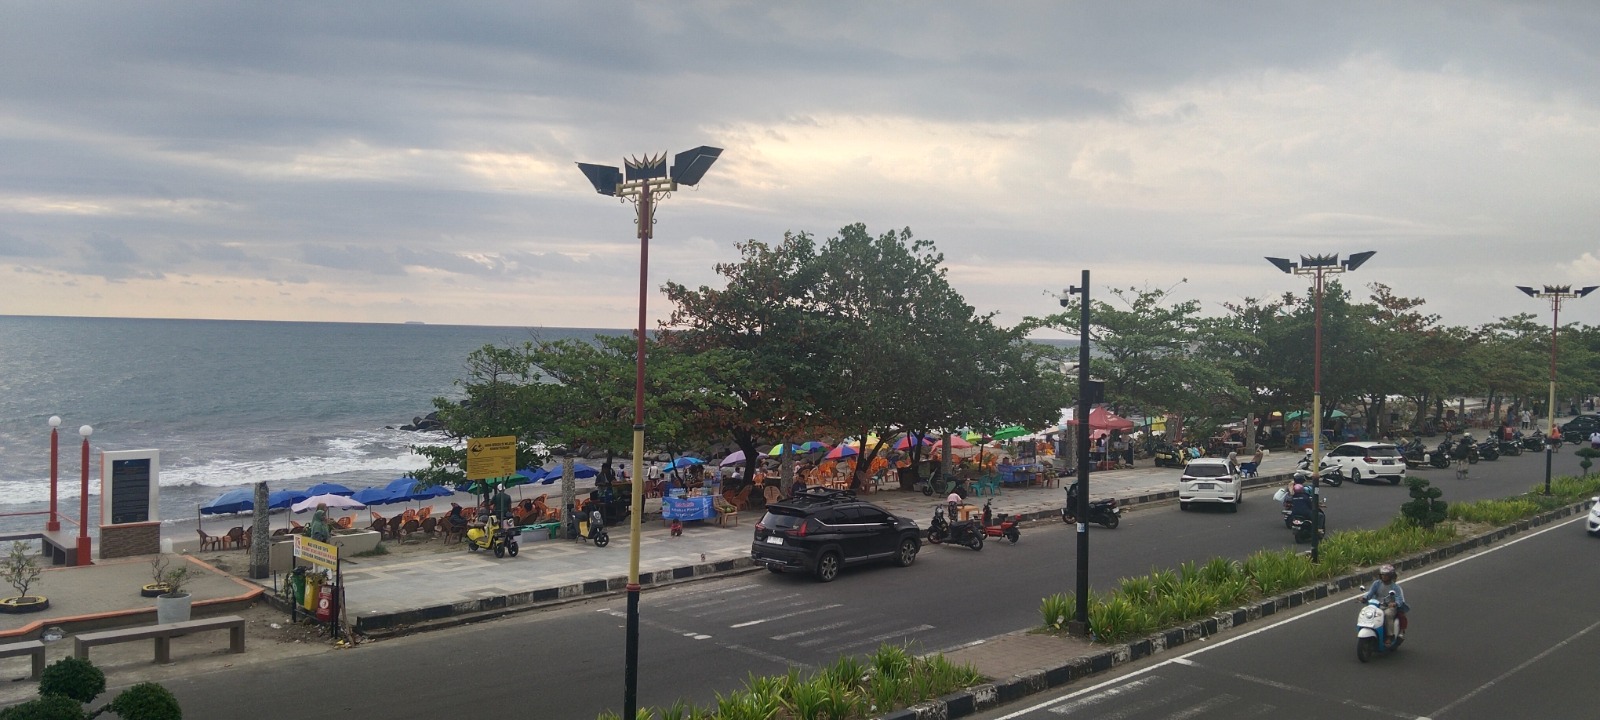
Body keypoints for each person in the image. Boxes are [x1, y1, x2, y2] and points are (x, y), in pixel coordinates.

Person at [1360, 564, 1410, 638]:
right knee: (1366, 612)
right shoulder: (1376, 583)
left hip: (1389, 607)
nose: (1384, 576)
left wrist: (1394, 603)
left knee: (1387, 614)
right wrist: (1364, 598)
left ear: (1391, 576)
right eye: (1382, 575)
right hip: (1377, 605)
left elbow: (1399, 599)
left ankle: (1390, 635)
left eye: (1386, 575)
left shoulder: (1396, 587)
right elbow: (1370, 593)